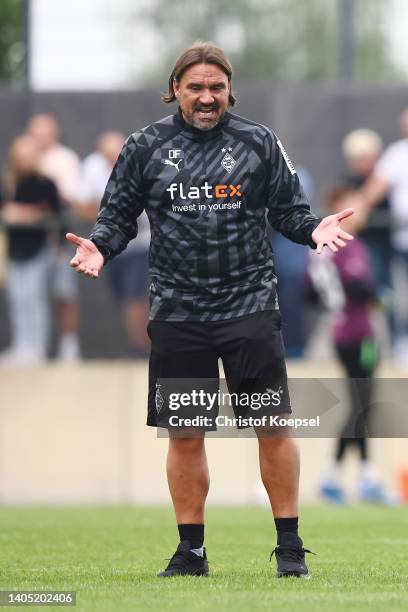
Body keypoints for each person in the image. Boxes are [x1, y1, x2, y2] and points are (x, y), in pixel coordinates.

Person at [66, 42, 354, 579]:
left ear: (229, 91)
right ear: (175, 87)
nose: (206, 97)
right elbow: (118, 215)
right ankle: (190, 552)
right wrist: (100, 247)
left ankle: (289, 548)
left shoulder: (259, 141)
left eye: (216, 88)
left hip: (248, 306)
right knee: (185, 432)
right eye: (195, 87)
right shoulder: (145, 145)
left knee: (271, 424)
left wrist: (313, 229)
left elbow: (290, 208)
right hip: (177, 312)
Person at [307, 186, 391, 504]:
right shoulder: (345, 244)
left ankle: (347, 475)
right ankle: (351, 476)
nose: (361, 206)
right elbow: (360, 287)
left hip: (346, 332)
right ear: (340, 206)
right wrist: (379, 297)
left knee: (362, 403)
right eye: (354, 200)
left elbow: (310, 291)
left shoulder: (331, 245)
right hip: (356, 335)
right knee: (362, 402)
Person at [76, 131, 150, 358]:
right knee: (123, 296)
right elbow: (82, 208)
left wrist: (110, 212)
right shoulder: (92, 168)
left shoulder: (140, 166)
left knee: (134, 297)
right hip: (109, 247)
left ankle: (140, 349)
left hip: (140, 244)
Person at [0, 134, 60, 364]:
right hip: (14, 251)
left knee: (34, 297)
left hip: (38, 249)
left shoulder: (46, 184)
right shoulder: (8, 183)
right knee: (17, 298)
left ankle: (37, 347)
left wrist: (30, 214)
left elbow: (55, 214)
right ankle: (21, 345)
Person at [27, 113, 82, 361]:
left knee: (64, 293)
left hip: (60, 238)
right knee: (31, 293)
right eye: (36, 132)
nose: (40, 137)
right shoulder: (24, 157)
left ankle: (69, 346)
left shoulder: (65, 159)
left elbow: (69, 196)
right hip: (29, 242)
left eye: (45, 132)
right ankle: (34, 346)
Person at [361, 109, 408, 361]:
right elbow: (372, 192)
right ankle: (400, 344)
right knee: (395, 296)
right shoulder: (398, 154)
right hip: (401, 242)